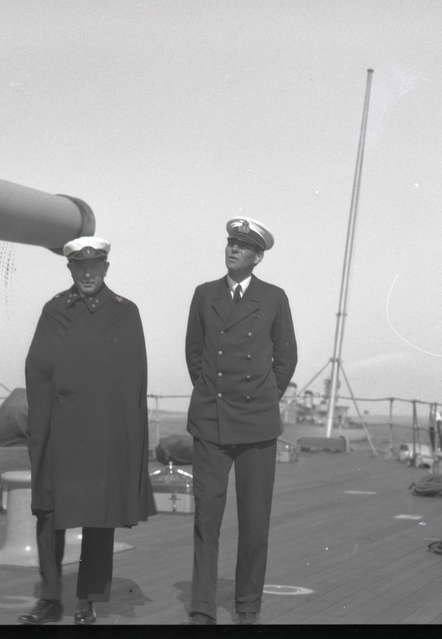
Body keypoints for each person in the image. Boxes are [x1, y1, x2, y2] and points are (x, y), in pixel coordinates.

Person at [18, 236, 157, 625]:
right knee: (49, 512)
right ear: (70, 270)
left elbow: (133, 382)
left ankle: (88, 600)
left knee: (99, 514)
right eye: (80, 268)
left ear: (106, 268)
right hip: (60, 429)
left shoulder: (124, 312)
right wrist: (41, 430)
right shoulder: (54, 310)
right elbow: (37, 370)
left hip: (101, 431)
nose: (88, 274)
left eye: (95, 267)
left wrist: (127, 442)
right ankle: (49, 597)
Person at [183, 217, 298, 625]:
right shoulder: (203, 295)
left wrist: (263, 399)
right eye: (230, 243)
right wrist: (213, 394)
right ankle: (201, 606)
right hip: (211, 422)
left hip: (256, 426)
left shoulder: (274, 298)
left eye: (242, 246)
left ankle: (248, 605)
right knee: (206, 519)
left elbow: (285, 360)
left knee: (254, 522)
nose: (233, 250)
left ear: (257, 257)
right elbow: (194, 354)